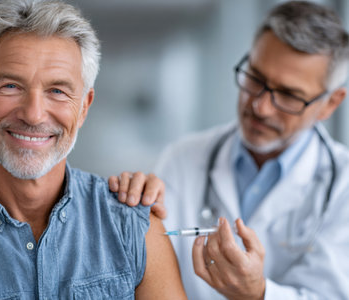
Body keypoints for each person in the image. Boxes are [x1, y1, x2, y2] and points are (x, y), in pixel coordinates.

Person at [0, 0, 187, 298]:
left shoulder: (132, 228)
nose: (33, 115)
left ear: (84, 108)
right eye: (11, 86)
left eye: (57, 91)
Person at [110, 1, 349, 299]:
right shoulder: (184, 159)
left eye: (288, 95)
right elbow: (144, 263)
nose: (259, 106)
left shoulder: (342, 189)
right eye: (255, 78)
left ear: (331, 103)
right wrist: (130, 207)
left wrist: (258, 294)